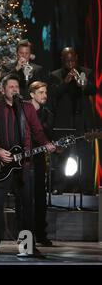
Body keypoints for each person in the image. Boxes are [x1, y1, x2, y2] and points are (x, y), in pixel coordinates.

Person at [0, 74, 55, 255]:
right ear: (3, 90)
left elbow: (37, 131)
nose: (14, 89)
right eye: (11, 86)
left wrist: (46, 143)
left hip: (24, 166)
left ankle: (27, 247)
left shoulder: (27, 108)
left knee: (26, 207)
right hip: (3, 164)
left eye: (17, 86)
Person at [49, 47, 97, 194]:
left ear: (76, 58)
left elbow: (93, 90)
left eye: (72, 60)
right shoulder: (55, 75)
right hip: (65, 122)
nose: (70, 63)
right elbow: (53, 94)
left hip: (82, 122)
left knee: (85, 156)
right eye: (67, 60)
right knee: (63, 155)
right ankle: (59, 187)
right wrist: (65, 82)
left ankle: (87, 188)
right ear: (62, 60)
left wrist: (83, 85)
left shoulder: (86, 72)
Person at [28, 81, 54, 247]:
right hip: (22, 159)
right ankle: (24, 234)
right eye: (41, 92)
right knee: (24, 197)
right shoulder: (22, 111)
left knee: (40, 197)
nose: (44, 95)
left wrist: (54, 147)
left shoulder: (47, 114)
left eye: (45, 92)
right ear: (32, 94)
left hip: (38, 160)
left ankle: (40, 234)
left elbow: (48, 137)